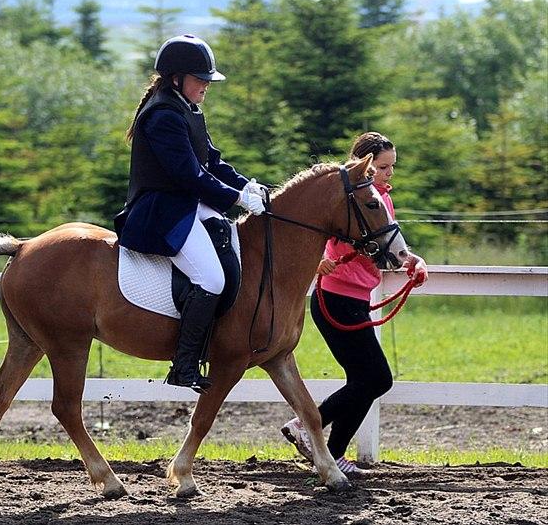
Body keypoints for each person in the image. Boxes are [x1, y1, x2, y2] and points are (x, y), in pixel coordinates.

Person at [114, 34, 267, 394]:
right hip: (162, 211)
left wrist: (247, 187)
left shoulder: (187, 107)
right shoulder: (164, 114)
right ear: (176, 78)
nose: (206, 87)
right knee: (211, 279)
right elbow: (189, 175)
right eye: (201, 80)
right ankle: (184, 365)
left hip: (187, 203)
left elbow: (213, 161)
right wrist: (237, 199)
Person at [281, 132, 429, 475]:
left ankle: (330, 453)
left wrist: (414, 261)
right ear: (364, 166)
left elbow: (392, 249)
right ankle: (307, 425)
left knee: (366, 380)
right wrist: (318, 261)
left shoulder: (380, 201)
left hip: (354, 300)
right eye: (382, 167)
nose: (389, 173)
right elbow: (315, 238)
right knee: (375, 378)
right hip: (336, 299)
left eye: (392, 166)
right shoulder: (348, 199)